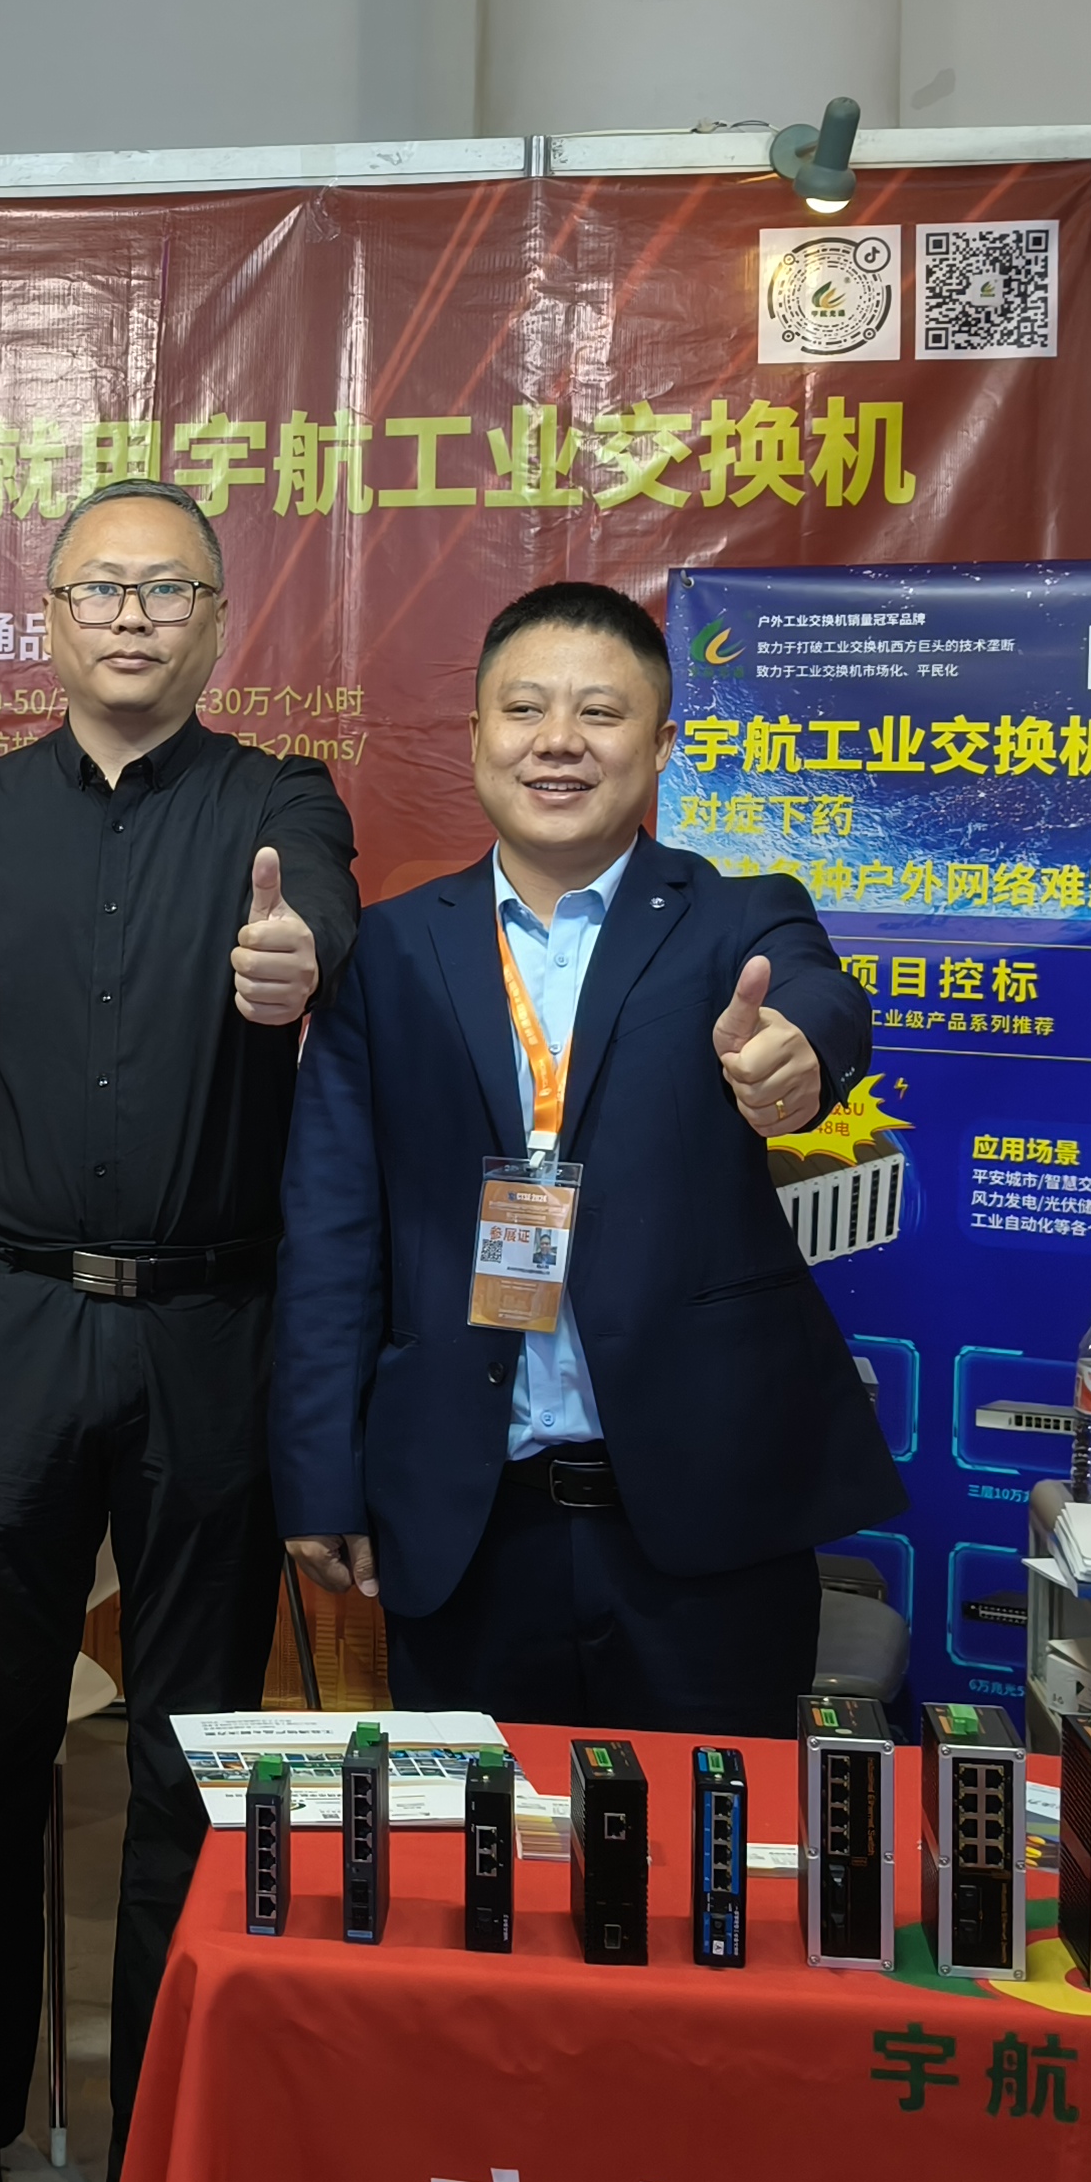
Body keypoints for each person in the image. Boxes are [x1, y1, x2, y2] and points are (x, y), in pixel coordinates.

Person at [0, 476, 359, 2182]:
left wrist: (295, 963)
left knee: (187, 1755)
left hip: (211, 1330)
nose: (132, 616)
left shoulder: (280, 805)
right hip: (1, 1321)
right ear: (49, 617)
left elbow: (326, 930)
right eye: (99, 588)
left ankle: (165, 2130)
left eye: (168, 590)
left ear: (216, 620)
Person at [271, 578, 905, 1727]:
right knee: (480, 1836)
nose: (557, 741)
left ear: (660, 745)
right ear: (475, 734)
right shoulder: (391, 952)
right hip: (466, 1516)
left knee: (708, 1834)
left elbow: (820, 998)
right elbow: (330, 1235)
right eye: (524, 709)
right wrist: (319, 1474)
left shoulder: (736, 918)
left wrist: (796, 1054)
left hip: (704, 1522)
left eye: (599, 713)